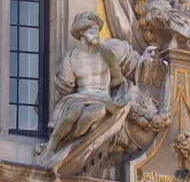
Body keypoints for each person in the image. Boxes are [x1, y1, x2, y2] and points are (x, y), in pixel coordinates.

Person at [36, 12, 126, 164]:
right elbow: (67, 85)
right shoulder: (71, 56)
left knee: (93, 112)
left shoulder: (106, 54)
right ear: (82, 32)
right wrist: (63, 82)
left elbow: (118, 79)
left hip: (102, 98)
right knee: (73, 111)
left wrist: (102, 89)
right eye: (92, 31)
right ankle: (51, 146)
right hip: (80, 96)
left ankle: (65, 144)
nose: (96, 34)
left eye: (97, 30)